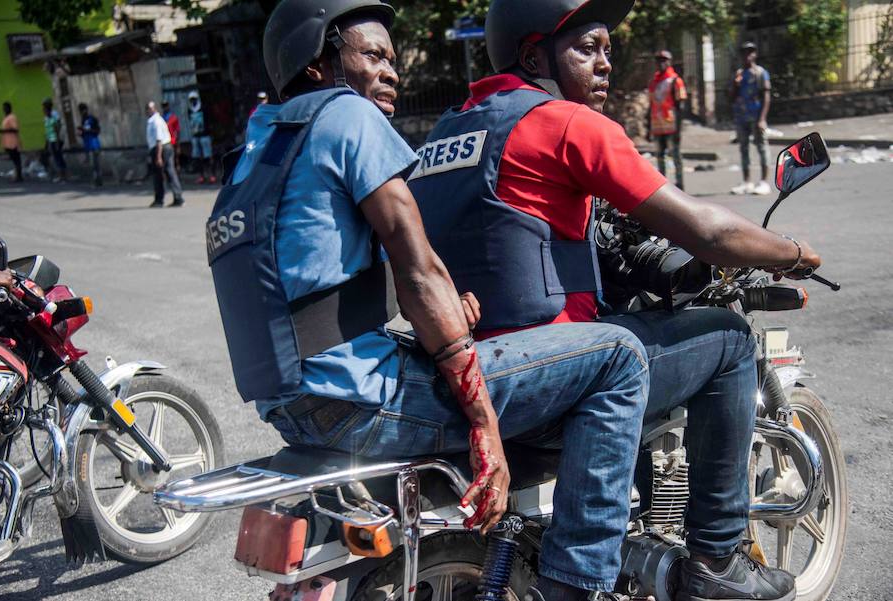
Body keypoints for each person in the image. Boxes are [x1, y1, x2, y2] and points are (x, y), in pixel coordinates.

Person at [212, 1, 652, 587]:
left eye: (392, 59)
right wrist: (484, 425)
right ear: (318, 62)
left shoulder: (260, 144)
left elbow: (318, 281)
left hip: (294, 406)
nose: (392, 72)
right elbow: (418, 269)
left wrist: (442, 313)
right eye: (372, 56)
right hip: (363, 401)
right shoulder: (349, 117)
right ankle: (578, 582)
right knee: (619, 354)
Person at [409, 1, 821, 600]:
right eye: (587, 48)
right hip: (559, 383)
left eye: (608, 49)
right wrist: (793, 250)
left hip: (477, 380)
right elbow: (704, 230)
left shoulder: (446, 132)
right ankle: (716, 556)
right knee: (727, 340)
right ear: (534, 56)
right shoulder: (566, 123)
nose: (606, 63)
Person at [730, 42, 772, 196]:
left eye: (750, 52)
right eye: (744, 52)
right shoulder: (739, 74)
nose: (747, 55)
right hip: (741, 117)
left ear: (755, 54)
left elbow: (766, 97)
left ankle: (764, 182)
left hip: (756, 116)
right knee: (744, 149)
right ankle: (747, 182)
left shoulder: (761, 73)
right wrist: (735, 85)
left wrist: (762, 118)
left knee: (762, 147)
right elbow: (732, 97)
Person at [647, 50, 687, 190]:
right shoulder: (654, 82)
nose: (661, 63)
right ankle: (663, 186)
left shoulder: (675, 80)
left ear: (669, 62)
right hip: (657, 125)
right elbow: (650, 104)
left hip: (671, 125)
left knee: (675, 155)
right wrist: (648, 127)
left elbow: (680, 106)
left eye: (664, 60)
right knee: (660, 156)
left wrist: (679, 128)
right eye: (659, 60)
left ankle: (680, 184)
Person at [145, 101, 184, 208]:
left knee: (162, 174)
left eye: (150, 108)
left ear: (154, 109)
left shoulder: (156, 121)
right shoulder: (153, 120)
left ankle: (163, 199)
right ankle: (174, 197)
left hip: (161, 148)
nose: (148, 111)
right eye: (148, 109)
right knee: (166, 172)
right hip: (163, 148)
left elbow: (159, 140)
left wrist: (158, 156)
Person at [187, 91, 216, 184]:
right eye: (191, 100)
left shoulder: (203, 108)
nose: (193, 101)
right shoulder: (190, 110)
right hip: (195, 136)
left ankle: (211, 175)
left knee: (208, 156)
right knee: (198, 158)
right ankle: (202, 176)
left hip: (205, 135)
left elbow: (209, 120)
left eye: (194, 99)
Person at [42, 98, 67, 182]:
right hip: (51, 139)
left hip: (56, 139)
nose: (43, 108)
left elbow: (57, 127)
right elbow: (47, 130)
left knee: (57, 156)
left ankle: (62, 175)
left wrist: (57, 140)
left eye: (44, 106)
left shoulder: (54, 114)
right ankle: (61, 173)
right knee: (56, 156)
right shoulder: (46, 117)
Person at [77, 103, 103, 186]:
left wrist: (86, 130)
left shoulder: (92, 119)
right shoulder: (83, 121)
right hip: (87, 145)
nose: (82, 113)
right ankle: (96, 180)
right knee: (92, 165)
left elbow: (97, 131)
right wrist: (81, 132)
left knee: (95, 164)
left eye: (82, 110)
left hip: (94, 144)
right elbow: (83, 134)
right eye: (80, 111)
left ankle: (98, 181)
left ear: (85, 110)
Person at [0, 102, 22, 182]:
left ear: (9, 108)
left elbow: (15, 129)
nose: (4, 109)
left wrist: (4, 131)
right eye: (3, 108)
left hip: (13, 142)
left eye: (5, 108)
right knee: (14, 159)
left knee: (16, 159)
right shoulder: (6, 117)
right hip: (8, 142)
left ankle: (18, 176)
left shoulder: (12, 117)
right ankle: (17, 175)